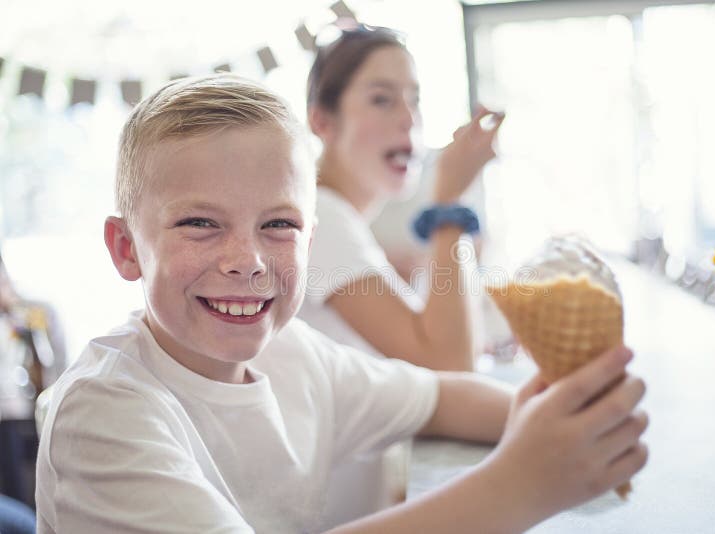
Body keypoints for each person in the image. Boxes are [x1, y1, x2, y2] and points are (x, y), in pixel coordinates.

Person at [35, 74, 648, 533]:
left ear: (312, 234)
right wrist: (518, 486)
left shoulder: (293, 355)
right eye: (199, 223)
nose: (246, 259)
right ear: (125, 249)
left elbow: (441, 397)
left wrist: (562, 424)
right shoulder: (102, 413)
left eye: (278, 224)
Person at [301, 25, 503, 371]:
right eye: (382, 99)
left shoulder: (342, 221)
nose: (409, 119)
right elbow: (451, 367)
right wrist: (450, 201)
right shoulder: (321, 219)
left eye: (415, 100)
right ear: (322, 121)